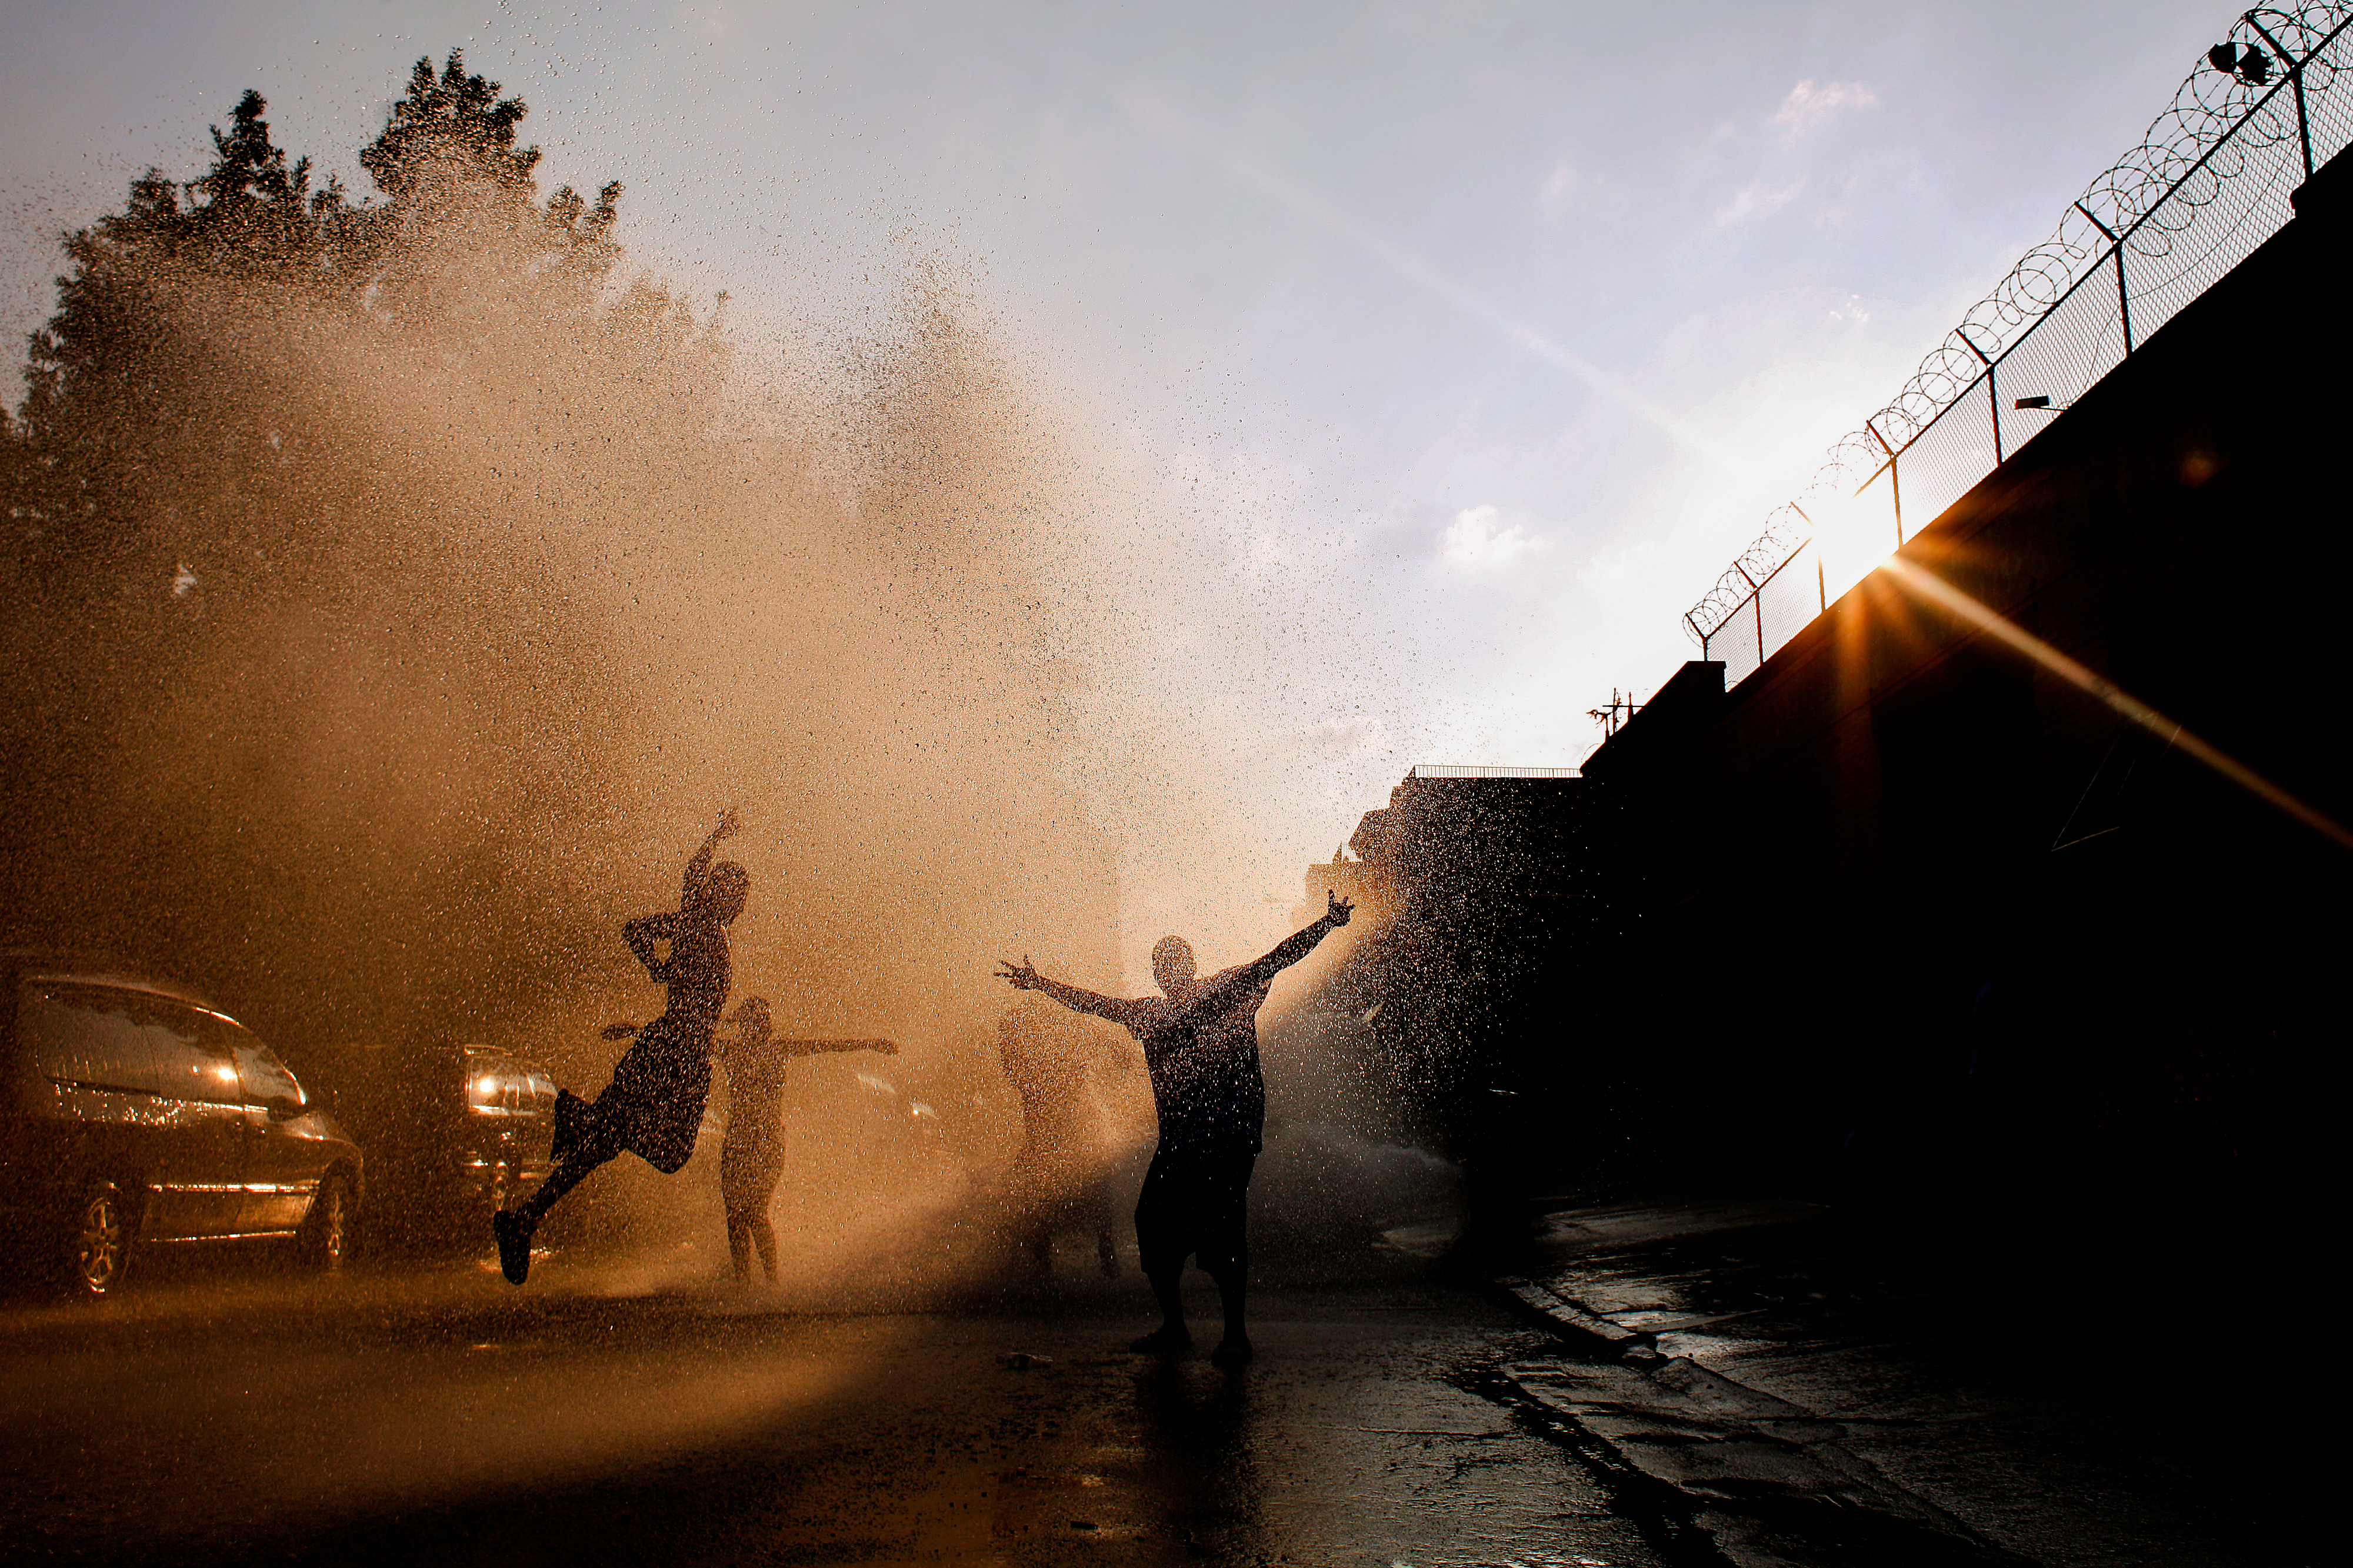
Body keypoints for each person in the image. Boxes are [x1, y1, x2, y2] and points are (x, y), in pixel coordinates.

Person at [995, 891, 1353, 1366]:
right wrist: (1041, 984)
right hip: (1181, 1143)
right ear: (1158, 974)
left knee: (1225, 1232)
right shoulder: (1149, 1014)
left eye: (1175, 960)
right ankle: (1175, 1326)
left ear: (1189, 964)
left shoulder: (1226, 990)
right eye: (1161, 964)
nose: (1168, 969)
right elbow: (1094, 1004)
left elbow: (1277, 958)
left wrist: (1327, 924)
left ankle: (1235, 1335)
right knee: (1151, 1224)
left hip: (1229, 1135)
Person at [494, 812, 747, 1286]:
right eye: (732, 893)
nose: (736, 903)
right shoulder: (703, 925)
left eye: (738, 897)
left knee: (600, 1147)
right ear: (722, 895)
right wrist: (716, 835)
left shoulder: (698, 925)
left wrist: (661, 971)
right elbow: (684, 883)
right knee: (669, 1154)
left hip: (666, 1046)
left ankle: (525, 1217)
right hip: (677, 1054)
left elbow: (636, 930)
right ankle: (583, 1119)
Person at [716, 995, 896, 1286]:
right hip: (740, 1138)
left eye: (762, 1021)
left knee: (752, 1212)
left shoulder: (772, 1050)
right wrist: (634, 1030)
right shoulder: (735, 1050)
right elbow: (687, 1039)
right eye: (757, 1021)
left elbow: (826, 1047)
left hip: (765, 1139)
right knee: (737, 1214)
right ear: (747, 1026)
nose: (762, 1026)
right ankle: (744, 1286)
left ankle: (769, 1284)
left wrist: (869, 1043)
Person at [995, 996, 1121, 1280]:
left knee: (1081, 1189)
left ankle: (1101, 1252)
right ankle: (1090, 1257)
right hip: (1049, 1136)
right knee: (1043, 1193)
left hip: (1065, 1134)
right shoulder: (1032, 1060)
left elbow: (1075, 1072)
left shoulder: (1046, 1056)